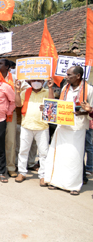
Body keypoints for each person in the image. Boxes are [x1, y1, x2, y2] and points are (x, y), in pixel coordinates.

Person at [45, 67, 93, 195]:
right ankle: (56, 182)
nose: (66, 77)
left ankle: (74, 185)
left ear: (78, 76)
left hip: (77, 127)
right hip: (63, 125)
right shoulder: (65, 88)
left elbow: (90, 109)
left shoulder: (89, 90)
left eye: (69, 75)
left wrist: (82, 111)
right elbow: (59, 105)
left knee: (74, 157)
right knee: (59, 154)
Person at [14, 79, 50, 185]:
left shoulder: (47, 92)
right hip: (27, 125)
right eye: (34, 80)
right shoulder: (26, 92)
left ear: (43, 81)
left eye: (38, 80)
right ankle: (22, 172)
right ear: (30, 82)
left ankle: (43, 175)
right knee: (23, 150)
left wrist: (51, 88)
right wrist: (17, 90)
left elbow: (53, 104)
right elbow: (18, 104)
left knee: (43, 152)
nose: (36, 82)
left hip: (42, 126)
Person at [0, 58, 18, 177]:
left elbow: (25, 91)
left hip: (10, 114)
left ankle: (11, 167)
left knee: (10, 140)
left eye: (0, 64)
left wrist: (18, 89)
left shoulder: (15, 78)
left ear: (7, 67)